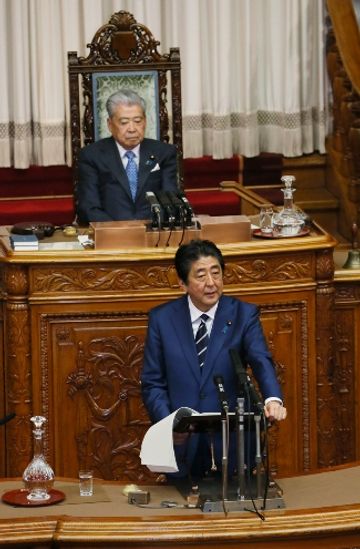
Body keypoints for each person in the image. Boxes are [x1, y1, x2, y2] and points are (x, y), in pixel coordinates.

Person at [141, 239, 287, 480]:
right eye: (200, 275)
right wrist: (169, 426)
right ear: (182, 283)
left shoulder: (243, 314)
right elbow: (152, 382)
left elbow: (261, 360)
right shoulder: (162, 319)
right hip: (182, 441)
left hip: (231, 440)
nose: (211, 283)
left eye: (216, 273)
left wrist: (273, 399)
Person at [76, 89, 179, 224]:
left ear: (145, 121)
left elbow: (171, 201)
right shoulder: (91, 156)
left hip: (153, 232)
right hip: (110, 235)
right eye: (124, 122)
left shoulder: (164, 153)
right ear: (110, 124)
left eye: (137, 121)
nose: (132, 128)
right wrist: (119, 232)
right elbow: (89, 207)